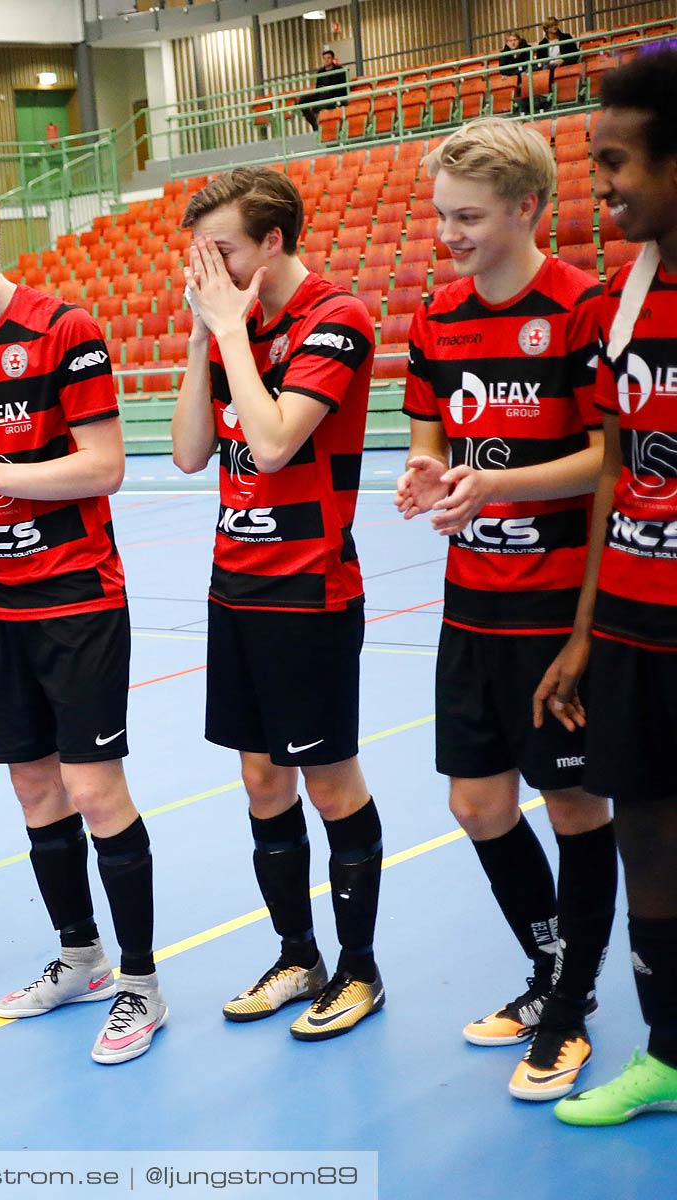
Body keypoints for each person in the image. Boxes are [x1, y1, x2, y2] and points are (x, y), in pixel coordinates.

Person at [0, 169, 167, 1062]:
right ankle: (78, 955)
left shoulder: (63, 330)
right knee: (34, 787)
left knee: (93, 790)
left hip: (79, 594)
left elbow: (104, 466)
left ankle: (140, 983)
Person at [395, 118, 615, 1102]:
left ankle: (568, 1011)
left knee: (574, 805)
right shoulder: (436, 317)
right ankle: (550, 974)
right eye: (442, 215)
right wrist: (426, 481)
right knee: (477, 805)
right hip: (471, 606)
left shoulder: (580, 309)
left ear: (530, 207)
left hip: (562, 610)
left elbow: (618, 458)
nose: (450, 233)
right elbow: (430, 444)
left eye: (470, 217)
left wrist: (503, 489)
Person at [171, 166, 385, 1042]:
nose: (208, 269)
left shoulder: (336, 320)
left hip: (311, 590)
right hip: (236, 585)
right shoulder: (231, 327)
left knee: (328, 782)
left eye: (222, 251)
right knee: (262, 779)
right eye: (200, 254)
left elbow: (267, 445)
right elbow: (191, 454)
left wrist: (226, 333)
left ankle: (359, 968)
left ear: (274, 242)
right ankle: (296, 954)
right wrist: (202, 340)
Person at [535, 45, 677, 1127]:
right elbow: (622, 475)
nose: (603, 184)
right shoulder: (620, 306)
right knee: (648, 839)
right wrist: (584, 632)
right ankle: (670, 1054)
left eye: (619, 160)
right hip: (631, 625)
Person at [301, 48, 350, 132]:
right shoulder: (320, 72)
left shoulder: (339, 70)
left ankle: (325, 126)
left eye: (328, 58)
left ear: (332, 59)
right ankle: (314, 123)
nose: (326, 60)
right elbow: (318, 87)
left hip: (334, 94)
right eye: (324, 58)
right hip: (321, 94)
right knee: (302, 101)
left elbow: (343, 87)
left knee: (323, 104)